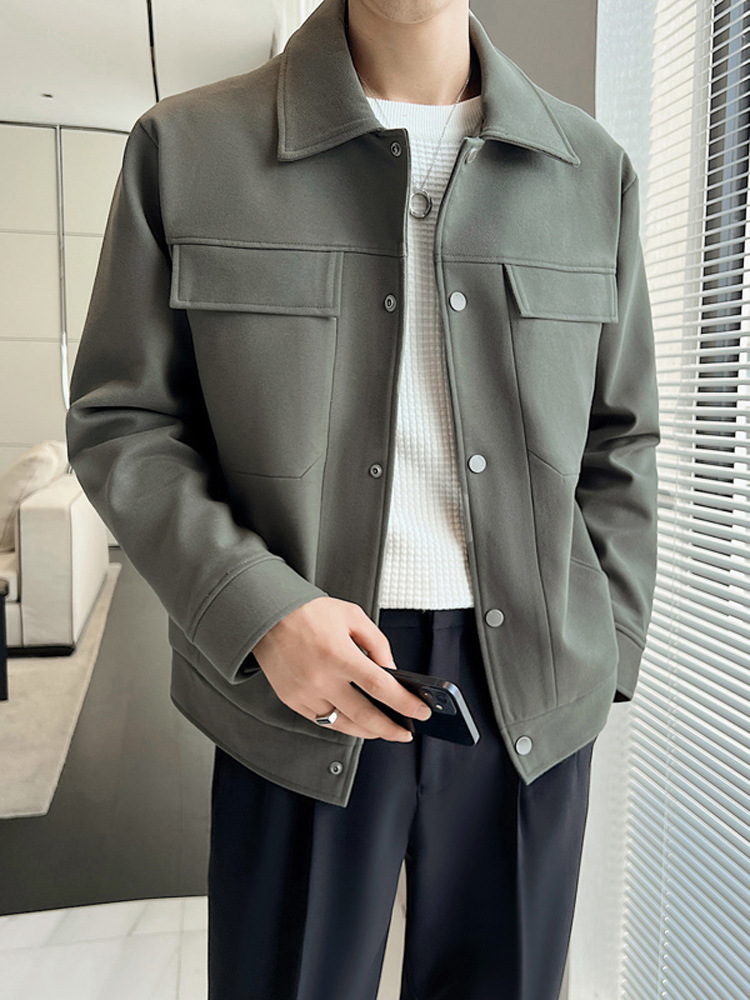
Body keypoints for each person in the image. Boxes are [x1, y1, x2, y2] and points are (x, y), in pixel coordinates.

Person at [65, 0, 661, 997]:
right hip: (298, 680)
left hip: (532, 687)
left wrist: (604, 647)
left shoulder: (593, 170)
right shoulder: (187, 148)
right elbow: (123, 421)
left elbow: (623, 439)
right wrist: (261, 613)